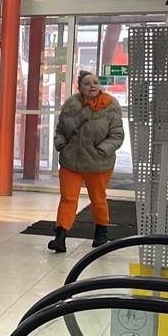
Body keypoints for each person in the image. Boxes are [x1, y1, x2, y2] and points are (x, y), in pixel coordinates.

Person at [50, 71, 125, 253]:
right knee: (68, 198)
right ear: (80, 88)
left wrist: (102, 151)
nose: (92, 86)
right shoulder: (71, 105)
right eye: (87, 83)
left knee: (98, 198)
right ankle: (60, 236)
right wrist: (61, 145)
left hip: (98, 162)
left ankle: (101, 232)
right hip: (71, 161)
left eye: (95, 83)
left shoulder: (110, 106)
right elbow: (60, 130)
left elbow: (117, 135)